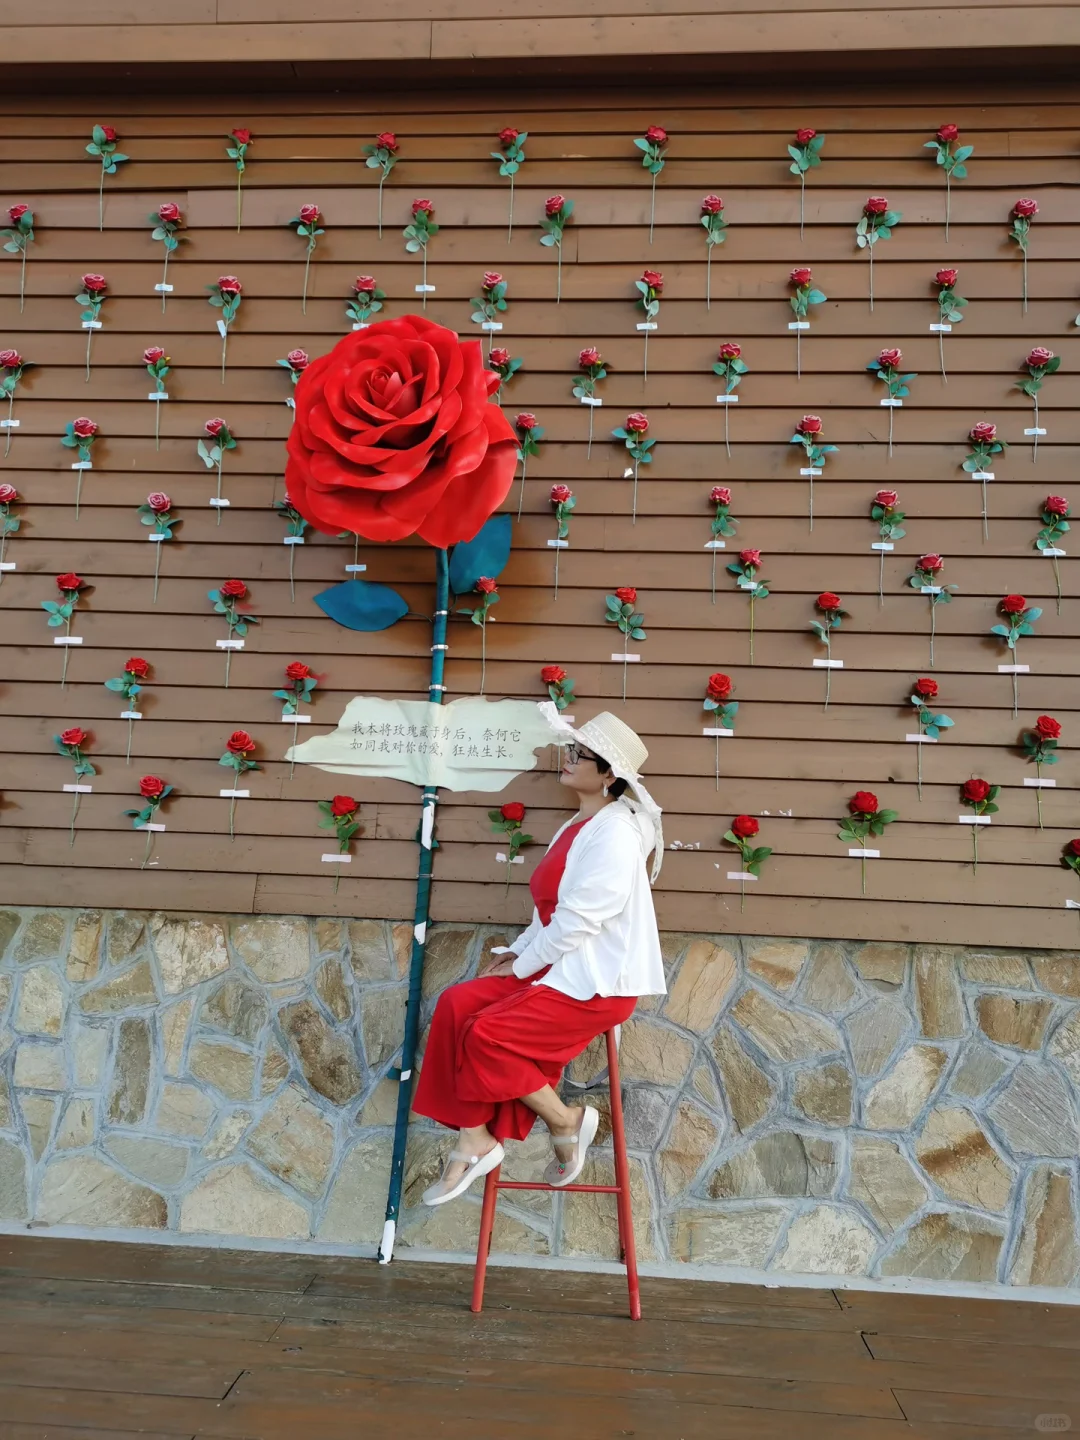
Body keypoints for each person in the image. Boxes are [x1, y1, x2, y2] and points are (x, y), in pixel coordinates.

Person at [413, 706, 666, 1206]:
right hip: (556, 966)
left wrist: (525, 965)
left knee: (486, 1036)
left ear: (609, 775)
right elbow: (546, 918)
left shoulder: (616, 833)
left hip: (594, 983)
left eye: (580, 753)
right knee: (456, 1004)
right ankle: (474, 1135)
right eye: (569, 749)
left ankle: (564, 1119)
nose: (567, 757)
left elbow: (578, 923)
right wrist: (515, 954)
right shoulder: (576, 826)